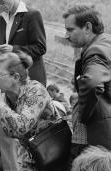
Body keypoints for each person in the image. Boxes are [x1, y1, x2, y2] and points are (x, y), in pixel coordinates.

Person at [63, 4, 111, 167]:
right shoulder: (106, 43)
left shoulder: (95, 50)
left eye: (70, 30)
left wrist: (83, 114)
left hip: (100, 134)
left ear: (87, 27)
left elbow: (92, 83)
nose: (66, 35)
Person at [0, 0, 47, 86]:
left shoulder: (32, 15)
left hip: (31, 77)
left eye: (2, 1)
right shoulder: (2, 18)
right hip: (10, 79)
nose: (0, 5)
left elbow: (40, 47)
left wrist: (13, 49)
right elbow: (5, 44)